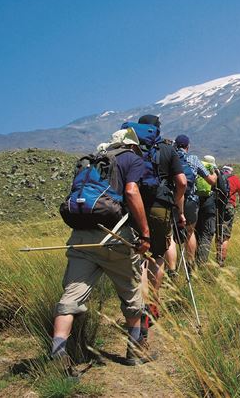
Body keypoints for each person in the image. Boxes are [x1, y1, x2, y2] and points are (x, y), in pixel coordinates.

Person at [51, 128, 153, 368]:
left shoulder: (93, 161)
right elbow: (131, 191)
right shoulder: (132, 158)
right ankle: (134, 352)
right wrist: (145, 233)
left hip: (81, 237)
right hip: (115, 236)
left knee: (71, 296)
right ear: (132, 145)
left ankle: (57, 351)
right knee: (132, 294)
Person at [134, 115, 186, 342]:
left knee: (139, 258)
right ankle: (153, 304)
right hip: (160, 206)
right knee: (157, 255)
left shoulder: (132, 147)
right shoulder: (168, 148)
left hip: (134, 208)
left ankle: (139, 305)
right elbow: (182, 181)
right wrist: (176, 204)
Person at [173, 135, 216, 272]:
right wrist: (214, 174)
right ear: (188, 146)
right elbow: (211, 181)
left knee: (171, 236)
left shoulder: (170, 157)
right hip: (191, 201)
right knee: (190, 233)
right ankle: (190, 266)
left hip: (173, 201)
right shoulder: (193, 159)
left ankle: (171, 269)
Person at [216, 165, 240, 266]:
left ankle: (217, 258)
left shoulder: (218, 177)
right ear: (231, 171)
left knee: (218, 234)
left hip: (217, 207)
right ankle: (221, 261)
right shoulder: (235, 179)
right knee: (225, 236)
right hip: (229, 207)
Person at [194, 155, 218, 266]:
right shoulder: (213, 172)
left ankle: (191, 261)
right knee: (207, 234)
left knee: (195, 233)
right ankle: (201, 263)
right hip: (209, 207)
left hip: (195, 204)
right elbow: (222, 190)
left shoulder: (195, 168)